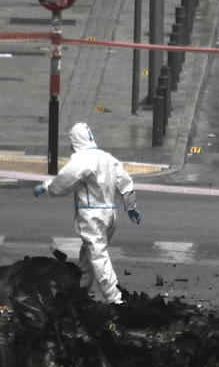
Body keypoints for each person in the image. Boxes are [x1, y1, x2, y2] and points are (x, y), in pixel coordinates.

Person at [33, 122, 141, 304]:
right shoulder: (107, 158)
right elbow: (126, 182)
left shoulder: (82, 160)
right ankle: (79, 293)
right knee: (88, 257)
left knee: (99, 257)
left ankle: (115, 300)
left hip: (93, 216)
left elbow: (64, 182)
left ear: (75, 141)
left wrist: (45, 187)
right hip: (110, 215)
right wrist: (131, 207)